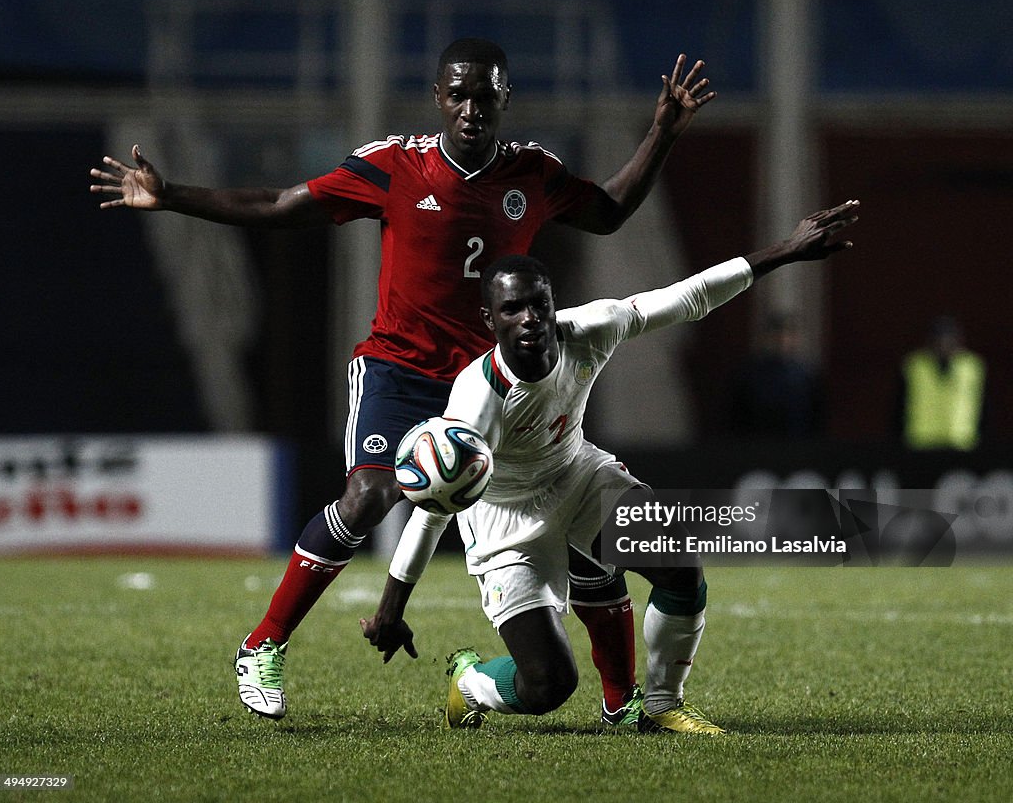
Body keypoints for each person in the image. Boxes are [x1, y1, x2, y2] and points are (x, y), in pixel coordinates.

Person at [90, 38, 718, 721]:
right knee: (367, 495)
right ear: (439, 98)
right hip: (399, 370)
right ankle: (262, 644)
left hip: (488, 386)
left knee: (570, 510)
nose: (472, 108)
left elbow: (611, 211)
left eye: (485, 95)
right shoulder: (395, 165)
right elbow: (279, 203)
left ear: (505, 98)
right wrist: (172, 195)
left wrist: (661, 132)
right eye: (459, 94)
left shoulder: (533, 174)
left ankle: (619, 698)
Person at [360, 201, 860, 734]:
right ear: (490, 319)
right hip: (504, 524)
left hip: (576, 476)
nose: (529, 319)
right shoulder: (477, 399)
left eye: (538, 305)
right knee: (548, 686)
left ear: (553, 304)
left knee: (678, 563)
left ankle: (662, 705)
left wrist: (782, 252)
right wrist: (392, 604)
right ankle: (470, 683)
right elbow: (435, 506)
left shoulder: (592, 328)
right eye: (512, 310)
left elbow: (687, 298)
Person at [728, 312, 825, 437]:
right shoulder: (747, 375)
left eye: (789, 334)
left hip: (797, 448)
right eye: (777, 333)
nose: (783, 339)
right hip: (755, 446)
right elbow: (735, 418)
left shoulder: (807, 377)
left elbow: (816, 419)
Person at [898, 315, 986, 450]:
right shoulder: (915, 365)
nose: (944, 344)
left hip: (961, 443)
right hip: (920, 443)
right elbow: (899, 404)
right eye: (940, 339)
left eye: (949, 339)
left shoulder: (972, 366)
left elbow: (983, 405)